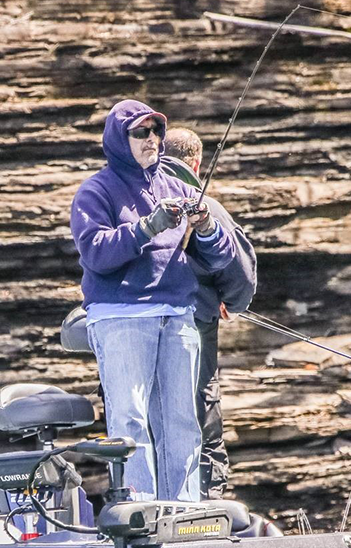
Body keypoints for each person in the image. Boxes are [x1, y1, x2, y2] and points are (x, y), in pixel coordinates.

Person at [69, 100, 236, 502]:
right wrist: (148, 226)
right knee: (129, 419)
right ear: (118, 140)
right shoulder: (96, 191)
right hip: (121, 319)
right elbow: (95, 252)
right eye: (141, 133)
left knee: (183, 421)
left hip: (178, 317)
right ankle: (138, 509)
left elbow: (223, 255)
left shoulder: (180, 185)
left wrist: (208, 227)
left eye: (157, 131)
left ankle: (184, 511)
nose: (152, 140)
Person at [160, 128, 258, 499]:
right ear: (196, 163)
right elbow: (241, 272)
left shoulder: (133, 200)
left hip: (133, 325)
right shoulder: (205, 206)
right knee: (199, 404)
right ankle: (205, 499)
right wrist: (230, 303)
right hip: (193, 323)